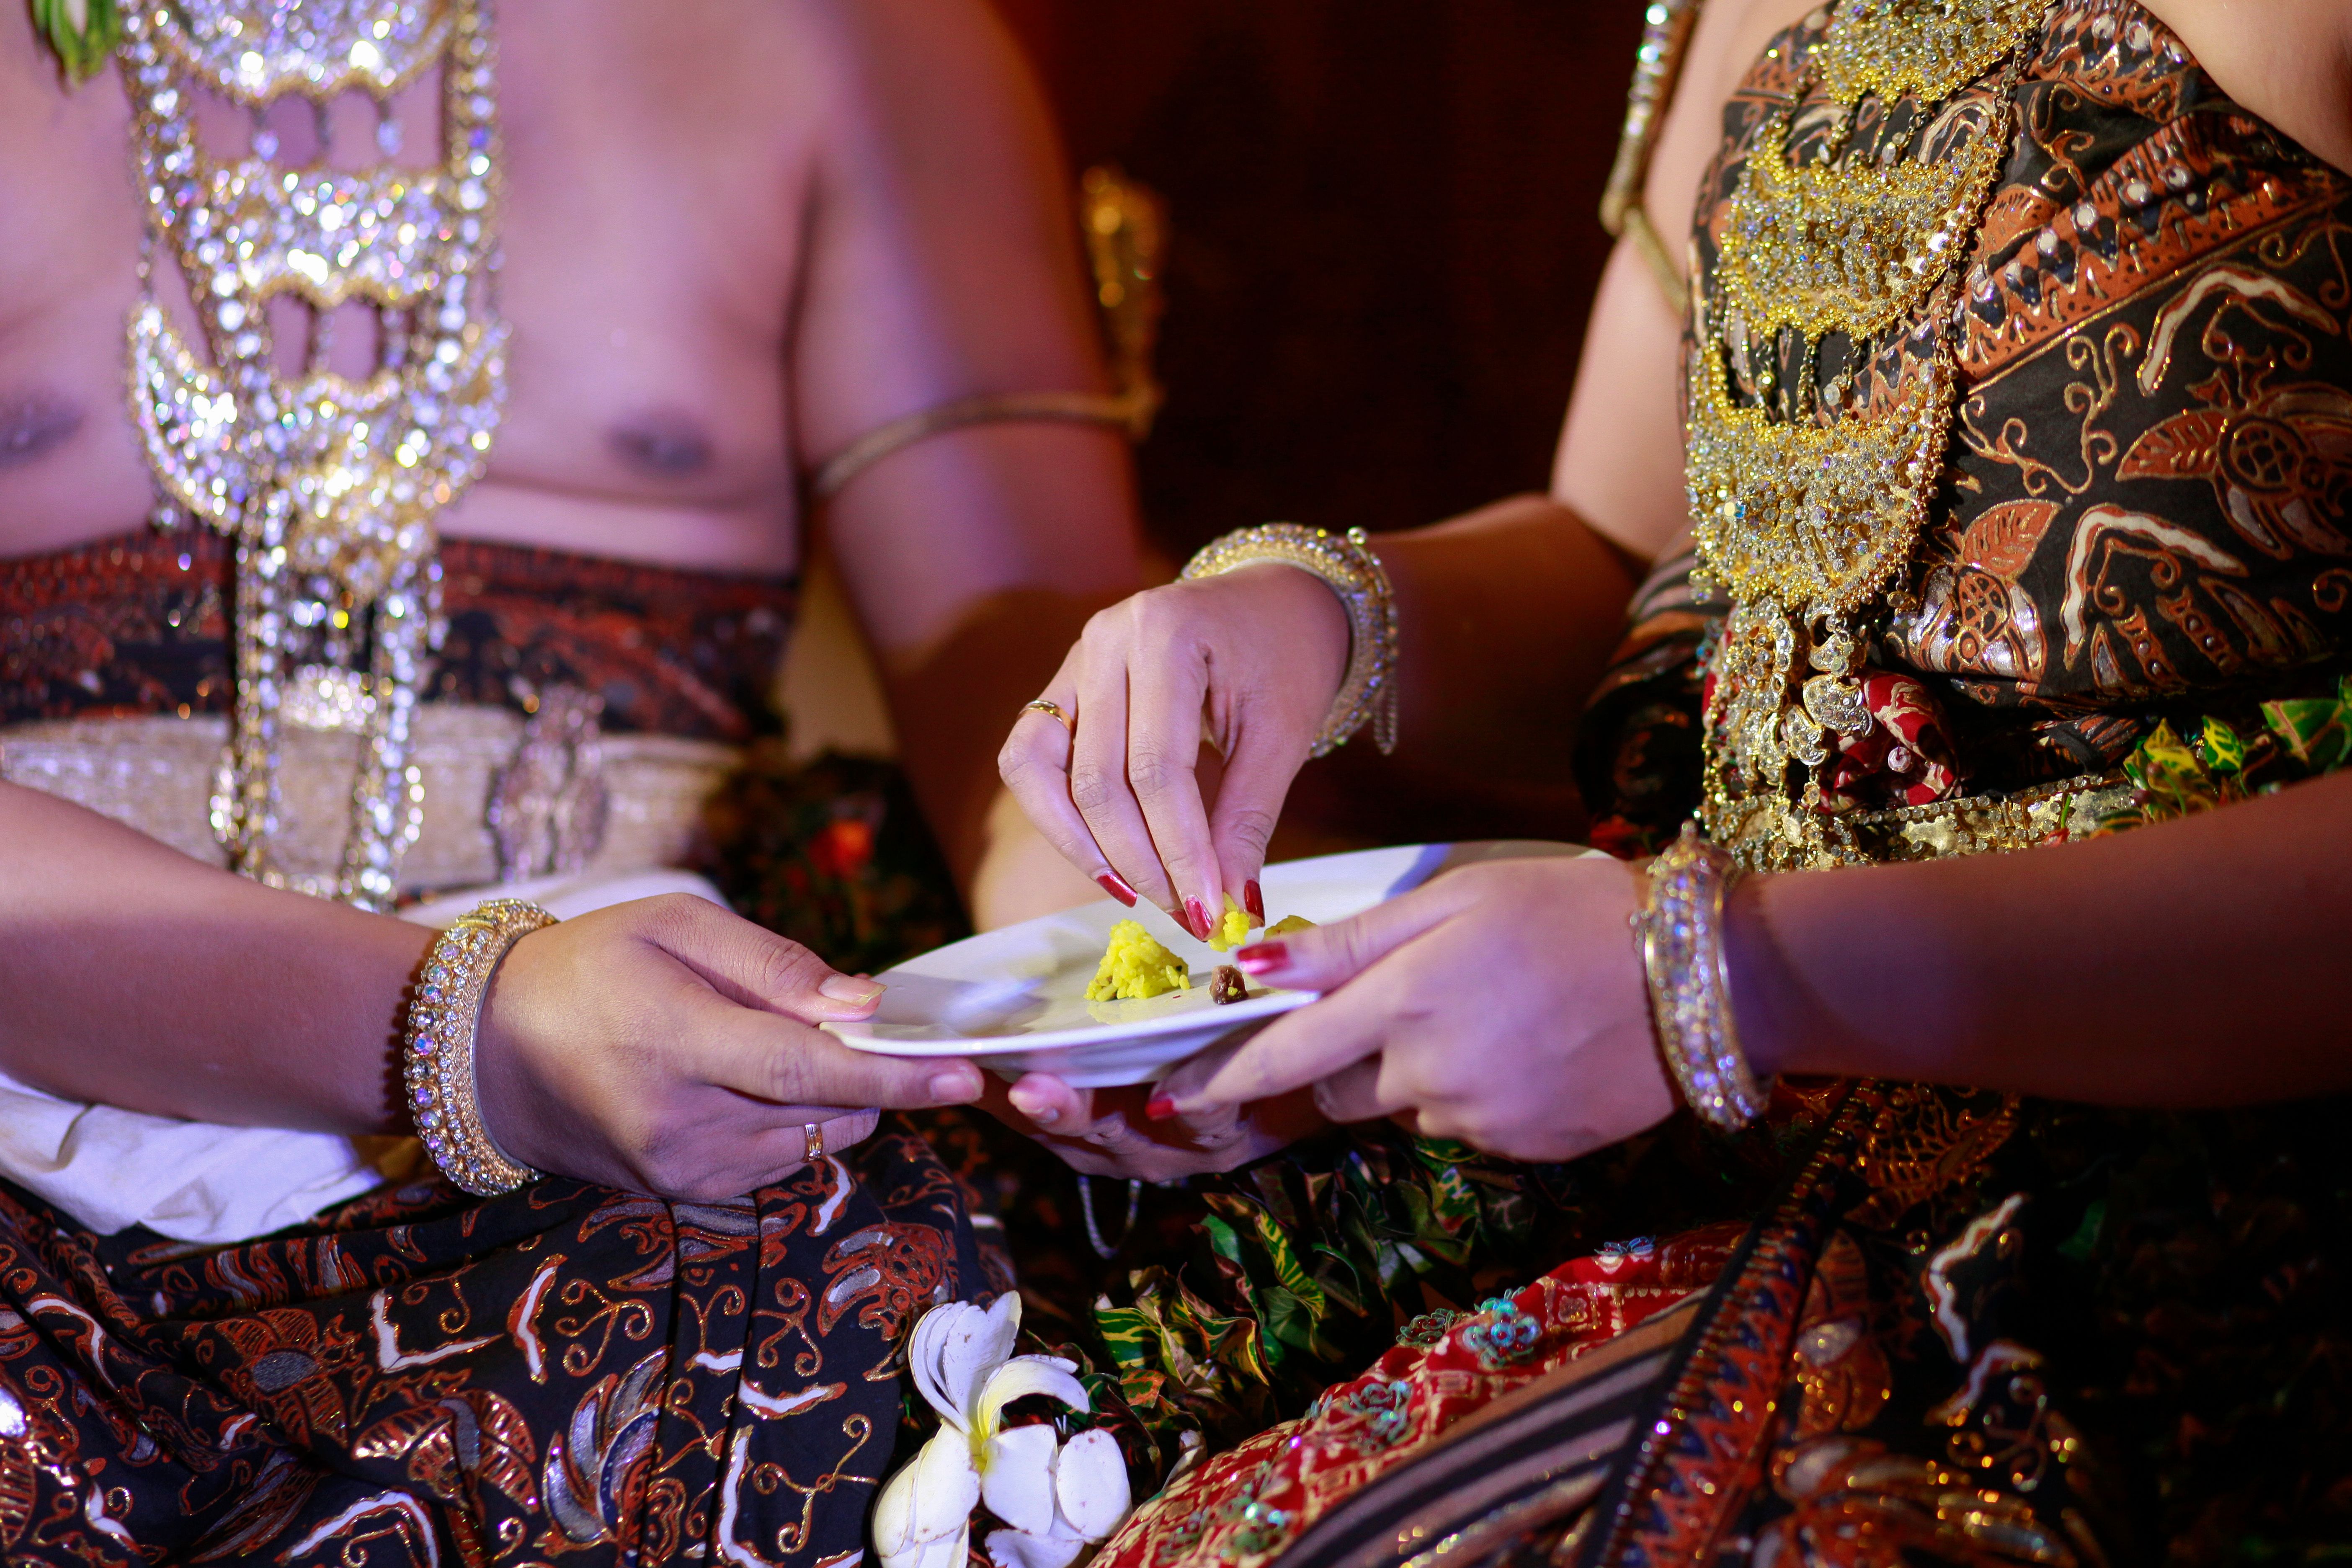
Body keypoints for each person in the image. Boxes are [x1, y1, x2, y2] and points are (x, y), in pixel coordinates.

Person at [991, 0, 2352, 1560]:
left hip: (2165, 1223)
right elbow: (1628, 565)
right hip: (1699, 1120)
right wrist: (1315, 617)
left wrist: (1719, 978)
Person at [0, 0, 1147, 1560]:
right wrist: (466, 1031)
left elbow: (1021, 705)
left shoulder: (848, 41)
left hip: (686, 1114)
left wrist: (1125, 996)